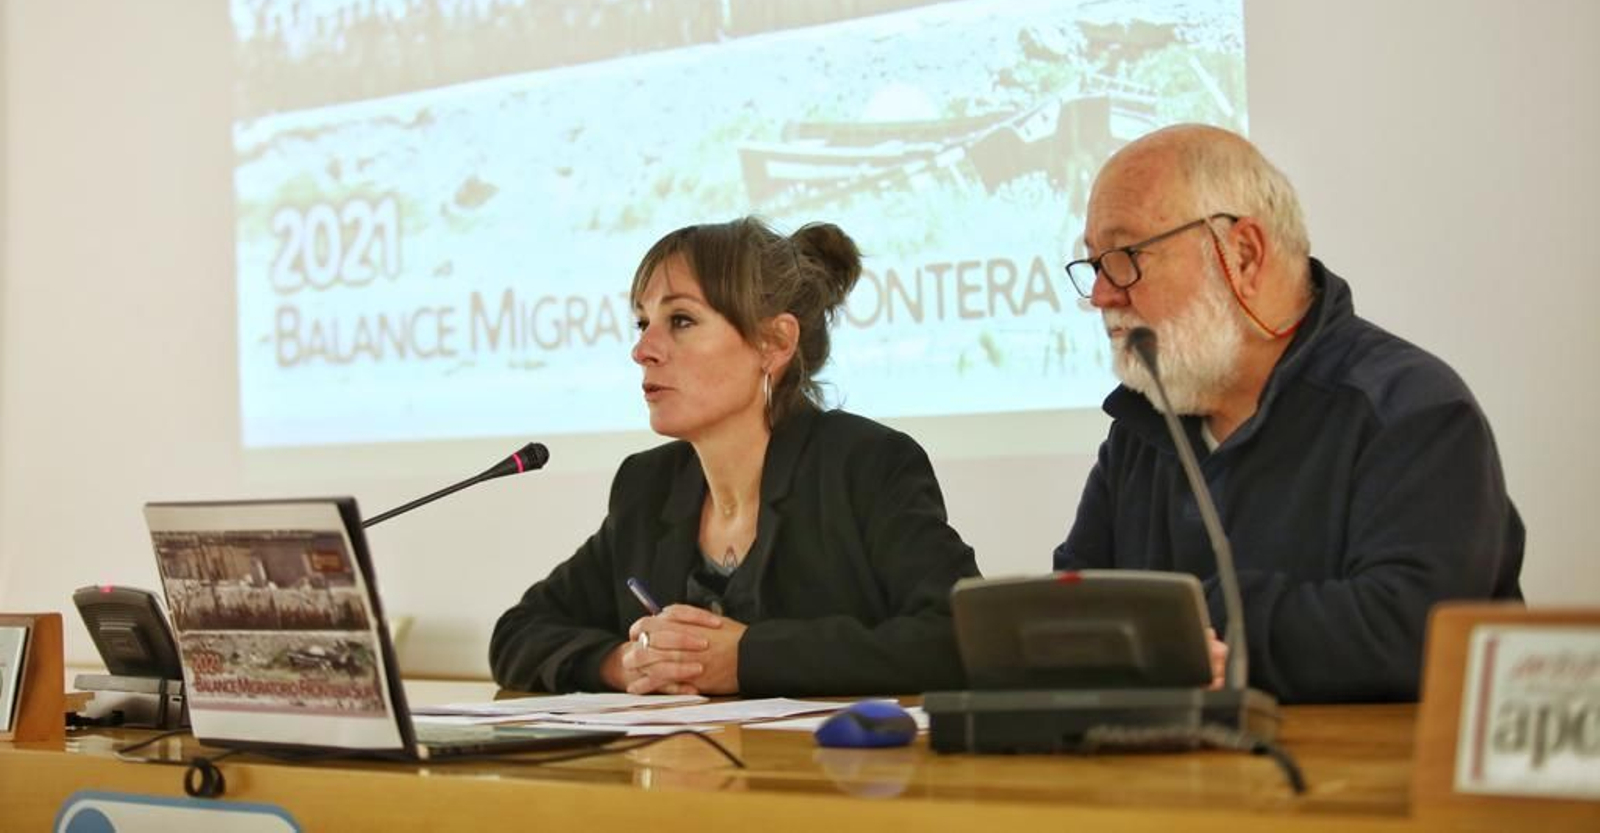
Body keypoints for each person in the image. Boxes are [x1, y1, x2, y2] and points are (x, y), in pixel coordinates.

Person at [1054, 125, 1524, 704]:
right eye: (1094, 263)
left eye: (1125, 257)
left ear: (1243, 254)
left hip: (1367, 783)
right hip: (1173, 782)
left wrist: (1207, 633)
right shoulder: (1141, 428)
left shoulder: (1411, 409)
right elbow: (1068, 614)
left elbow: (1414, 632)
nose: (1102, 294)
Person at [490, 218, 980, 697]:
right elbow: (518, 633)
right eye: (643, 323)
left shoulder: (867, 465)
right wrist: (626, 663)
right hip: (684, 772)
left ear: (775, 343)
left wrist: (749, 658)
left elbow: (960, 637)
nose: (642, 349)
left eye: (680, 320)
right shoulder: (648, 485)